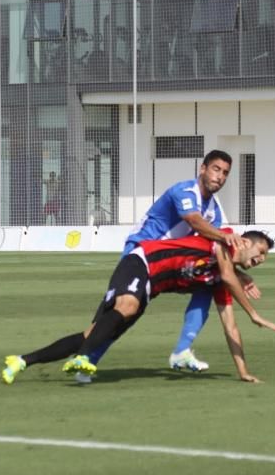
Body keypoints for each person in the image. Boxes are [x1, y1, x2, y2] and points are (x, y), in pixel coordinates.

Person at [1, 230, 275, 385]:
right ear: (244, 242)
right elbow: (231, 275)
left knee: (94, 333)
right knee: (127, 307)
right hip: (141, 263)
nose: (262, 260)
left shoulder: (220, 279)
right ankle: (83, 359)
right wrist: (254, 314)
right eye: (261, 252)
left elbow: (229, 325)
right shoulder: (223, 239)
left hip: (148, 289)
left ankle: (22, 361)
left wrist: (242, 371)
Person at [89, 150, 242, 374]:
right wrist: (223, 235)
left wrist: (239, 275)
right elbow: (195, 222)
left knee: (209, 283)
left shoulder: (214, 211)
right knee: (122, 315)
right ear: (203, 169)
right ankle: (86, 358)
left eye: (225, 173)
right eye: (216, 169)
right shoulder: (184, 191)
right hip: (140, 252)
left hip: (165, 262)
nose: (220, 176)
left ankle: (182, 350)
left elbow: (213, 248)